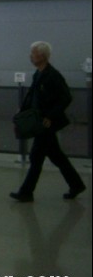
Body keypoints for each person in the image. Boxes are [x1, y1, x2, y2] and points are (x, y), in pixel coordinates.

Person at [10, 41, 85, 202]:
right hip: (40, 123)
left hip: (45, 124)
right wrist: (22, 111)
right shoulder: (38, 74)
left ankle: (26, 192)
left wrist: (50, 117)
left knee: (36, 157)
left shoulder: (53, 75)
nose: (31, 56)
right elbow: (32, 97)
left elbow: (66, 98)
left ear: (42, 56)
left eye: (33, 53)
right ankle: (76, 184)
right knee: (57, 156)